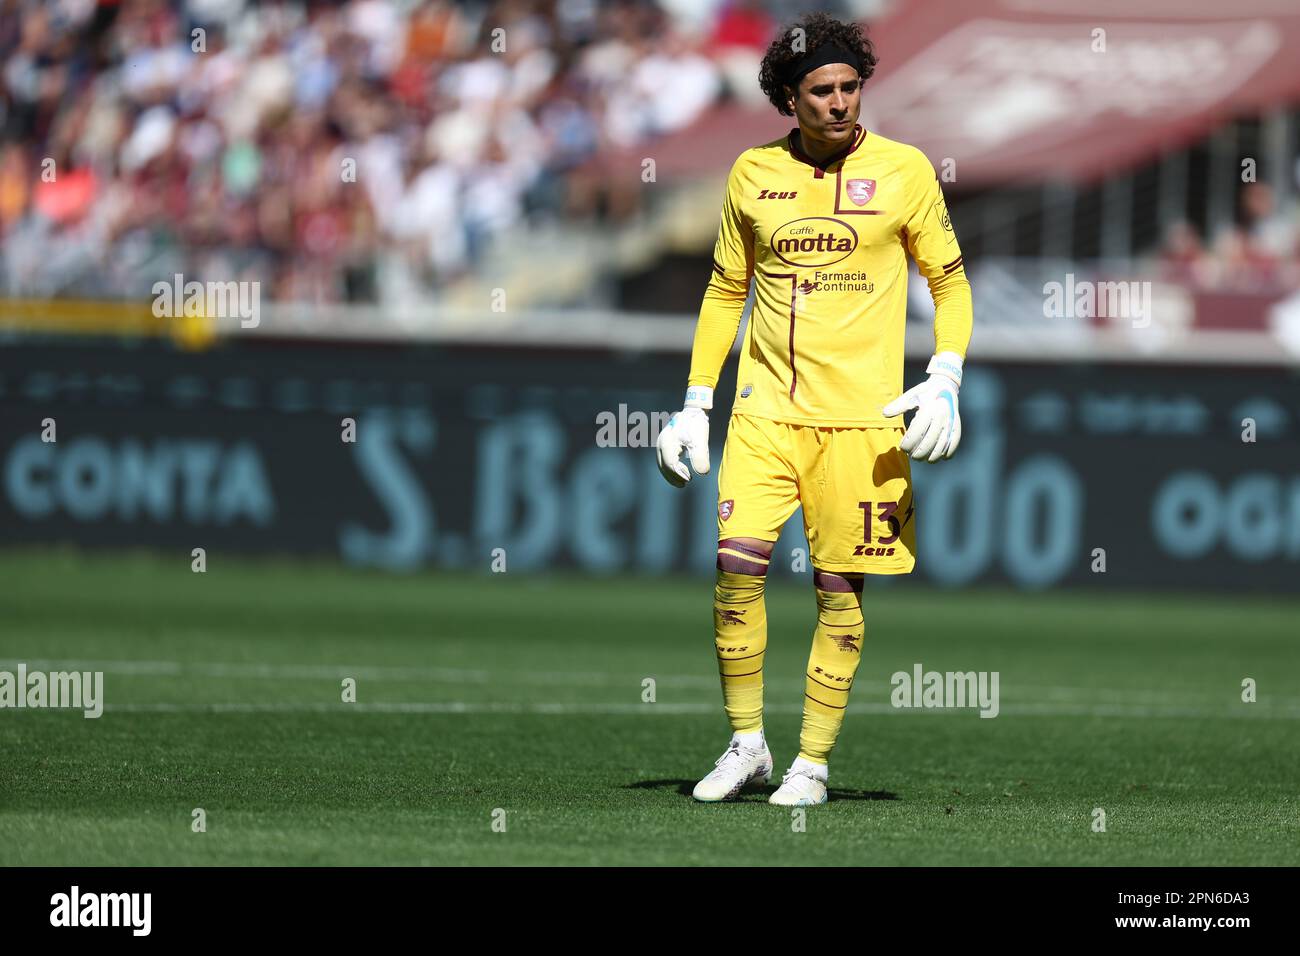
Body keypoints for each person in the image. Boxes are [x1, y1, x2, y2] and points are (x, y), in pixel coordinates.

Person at [654, 12, 972, 806]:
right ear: (788, 101)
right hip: (764, 413)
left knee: (839, 590)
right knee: (734, 571)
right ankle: (747, 744)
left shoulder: (904, 172)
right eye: (821, 91)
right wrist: (696, 404)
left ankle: (813, 764)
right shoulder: (751, 174)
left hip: (864, 424)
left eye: (850, 87)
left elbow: (950, 282)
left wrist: (946, 375)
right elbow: (726, 291)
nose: (840, 103)